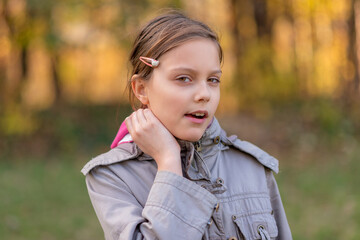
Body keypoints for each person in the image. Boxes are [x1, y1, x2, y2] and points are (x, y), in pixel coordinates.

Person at [81, 11, 292, 240]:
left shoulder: (252, 167)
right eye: (184, 78)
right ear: (141, 89)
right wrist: (169, 162)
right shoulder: (113, 176)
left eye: (213, 80)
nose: (204, 94)